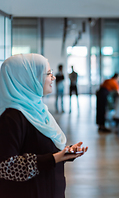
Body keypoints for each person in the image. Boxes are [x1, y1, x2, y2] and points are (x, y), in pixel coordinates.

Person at [0, 53, 88, 198]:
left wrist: (65, 153)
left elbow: (41, 146)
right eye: (48, 73)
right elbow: (5, 166)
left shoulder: (39, 110)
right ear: (28, 78)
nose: (52, 78)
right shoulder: (11, 117)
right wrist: (55, 158)